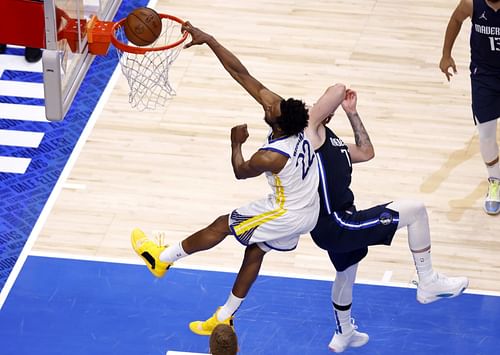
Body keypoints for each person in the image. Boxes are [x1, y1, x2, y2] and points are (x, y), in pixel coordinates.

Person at [131, 22, 319, 336]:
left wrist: (236, 143)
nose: (268, 102)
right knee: (255, 251)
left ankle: (160, 259)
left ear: (280, 124)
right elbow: (242, 74)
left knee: (223, 224)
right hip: (303, 207)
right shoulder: (288, 117)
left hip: (288, 213)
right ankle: (224, 316)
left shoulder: (271, 156)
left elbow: (240, 171)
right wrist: (210, 40)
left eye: (271, 107)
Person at [305, 84, 469, 353]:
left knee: (346, 273)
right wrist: (324, 106)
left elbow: (366, 152)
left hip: (336, 223)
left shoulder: (332, 142)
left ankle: (344, 332)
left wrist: (351, 112)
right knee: (415, 210)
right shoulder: (309, 136)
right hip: (338, 223)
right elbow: (336, 89)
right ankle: (427, 281)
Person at [439, 0, 500, 215]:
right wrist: (446, 54)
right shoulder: (471, 4)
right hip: (484, 78)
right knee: (485, 136)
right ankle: (495, 181)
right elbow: (456, 19)